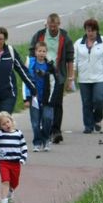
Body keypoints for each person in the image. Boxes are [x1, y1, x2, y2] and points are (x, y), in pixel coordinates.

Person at [0, 26, 38, 162]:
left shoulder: (10, 52)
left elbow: (22, 70)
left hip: (8, 94)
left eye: (1, 39)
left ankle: (4, 151)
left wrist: (33, 88)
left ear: (5, 39)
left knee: (3, 120)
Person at [28, 14, 75, 142]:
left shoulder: (65, 37)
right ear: (47, 24)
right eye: (50, 26)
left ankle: (56, 131)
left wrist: (70, 77)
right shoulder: (39, 35)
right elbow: (31, 53)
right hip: (41, 75)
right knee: (43, 102)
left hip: (58, 75)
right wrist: (32, 71)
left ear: (59, 24)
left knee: (57, 103)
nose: (53, 29)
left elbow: (70, 59)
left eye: (55, 26)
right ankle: (45, 128)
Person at [74, 18, 103, 134]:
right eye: (88, 30)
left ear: (97, 30)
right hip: (84, 78)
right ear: (85, 31)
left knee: (99, 99)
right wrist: (72, 74)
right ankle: (88, 126)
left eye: (93, 30)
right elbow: (74, 60)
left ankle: (97, 119)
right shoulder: (78, 43)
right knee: (86, 102)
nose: (90, 33)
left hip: (99, 77)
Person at [24, 42, 59, 151]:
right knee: (35, 122)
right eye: (39, 51)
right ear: (35, 52)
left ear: (46, 53)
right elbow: (25, 81)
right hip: (34, 97)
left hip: (47, 98)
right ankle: (37, 142)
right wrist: (26, 98)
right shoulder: (31, 63)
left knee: (47, 119)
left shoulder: (50, 65)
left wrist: (53, 97)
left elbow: (54, 82)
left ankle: (46, 139)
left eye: (44, 51)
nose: (41, 53)